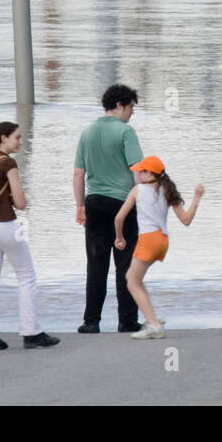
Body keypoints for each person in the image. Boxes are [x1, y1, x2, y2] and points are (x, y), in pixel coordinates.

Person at [0, 122, 60, 351]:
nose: (20, 142)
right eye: (17, 138)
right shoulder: (8, 162)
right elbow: (20, 203)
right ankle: (31, 332)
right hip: (5, 225)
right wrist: (15, 196)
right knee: (26, 276)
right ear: (4, 138)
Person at [74, 84, 145, 333]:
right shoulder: (126, 132)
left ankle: (91, 321)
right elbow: (138, 172)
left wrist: (79, 205)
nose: (132, 113)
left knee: (96, 263)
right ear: (119, 105)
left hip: (94, 202)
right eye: (131, 107)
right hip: (122, 204)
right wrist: (143, 202)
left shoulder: (87, 132)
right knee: (125, 263)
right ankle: (127, 320)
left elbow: (78, 174)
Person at [112, 156, 204, 339]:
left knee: (131, 281)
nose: (136, 174)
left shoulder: (138, 190)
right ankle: (152, 319)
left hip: (147, 239)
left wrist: (119, 237)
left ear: (148, 173)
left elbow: (119, 218)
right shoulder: (167, 190)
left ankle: (154, 326)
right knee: (134, 278)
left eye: (140, 171)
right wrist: (197, 197)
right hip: (162, 241)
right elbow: (186, 220)